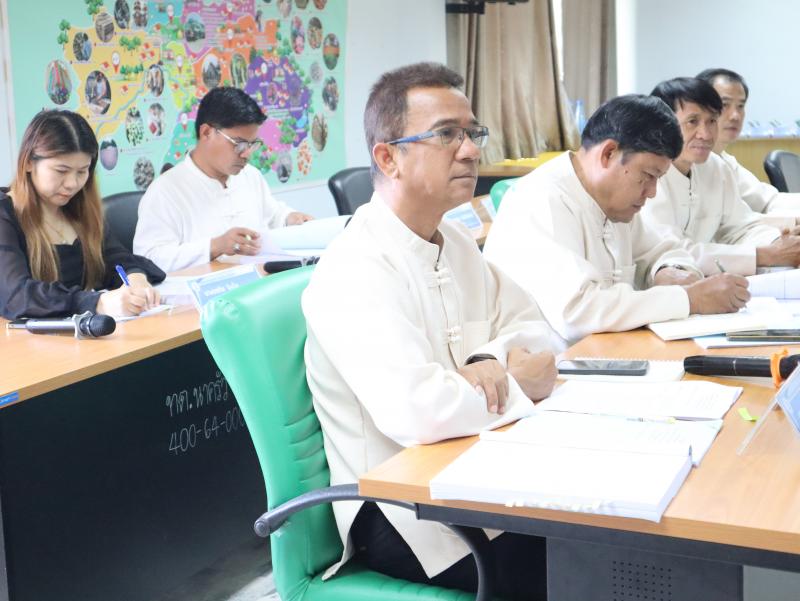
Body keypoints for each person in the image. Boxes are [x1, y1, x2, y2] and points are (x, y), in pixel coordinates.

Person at [302, 62, 558, 601]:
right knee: (579, 566)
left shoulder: (455, 242)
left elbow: (533, 326)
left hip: (478, 471)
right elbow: (417, 412)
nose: (469, 150)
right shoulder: (355, 267)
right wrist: (516, 384)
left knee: (608, 537)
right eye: (446, 135)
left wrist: (489, 359)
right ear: (387, 158)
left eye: (472, 132)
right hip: (409, 513)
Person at [483, 95, 749, 345]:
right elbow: (577, 311)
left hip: (606, 353)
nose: (652, 192)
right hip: (548, 364)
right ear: (608, 153)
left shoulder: (614, 203)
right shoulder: (540, 200)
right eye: (648, 176)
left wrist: (669, 271)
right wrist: (689, 299)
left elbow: (662, 250)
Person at [0, 109, 164, 320]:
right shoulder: (6, 215)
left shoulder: (78, 210)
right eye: (61, 171)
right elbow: (16, 296)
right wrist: (97, 303)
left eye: (82, 171)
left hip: (90, 333)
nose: (72, 184)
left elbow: (116, 258)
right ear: (29, 162)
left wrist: (136, 278)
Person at [133, 87, 313, 272]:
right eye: (239, 144)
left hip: (257, 280)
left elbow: (273, 215)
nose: (247, 154)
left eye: (252, 144)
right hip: (200, 288)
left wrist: (290, 218)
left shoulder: (250, 176)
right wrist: (214, 247)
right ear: (206, 133)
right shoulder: (165, 191)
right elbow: (149, 259)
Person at [643, 77, 800, 275]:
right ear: (664, 124)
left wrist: (781, 243)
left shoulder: (714, 166)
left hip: (710, 278)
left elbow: (741, 228)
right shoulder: (648, 175)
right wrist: (765, 255)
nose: (706, 134)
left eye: (712, 121)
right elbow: (671, 252)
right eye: (692, 122)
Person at [696, 67, 800, 223]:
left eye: (740, 106)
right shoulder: (688, 163)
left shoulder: (725, 161)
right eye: (724, 104)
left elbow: (767, 200)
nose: (735, 116)